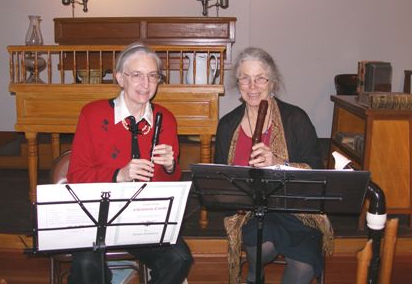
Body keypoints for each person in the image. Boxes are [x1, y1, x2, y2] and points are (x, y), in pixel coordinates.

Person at [66, 42, 193, 284]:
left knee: (180, 258)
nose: (145, 84)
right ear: (119, 78)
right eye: (136, 75)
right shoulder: (92, 114)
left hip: (143, 218)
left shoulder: (165, 118)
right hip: (98, 216)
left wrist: (169, 166)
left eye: (152, 76)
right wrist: (118, 175)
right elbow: (76, 176)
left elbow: (171, 181)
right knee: (85, 263)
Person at [214, 47, 333, 284]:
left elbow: (315, 170)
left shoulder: (296, 119)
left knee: (303, 265)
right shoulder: (228, 125)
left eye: (260, 78)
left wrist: (278, 163)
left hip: (297, 212)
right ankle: (254, 275)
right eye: (245, 78)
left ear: (273, 82)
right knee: (263, 245)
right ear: (237, 84)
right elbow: (219, 178)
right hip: (249, 213)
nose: (252, 86)